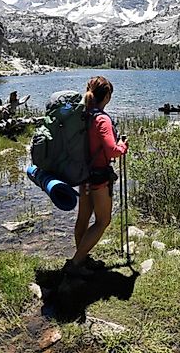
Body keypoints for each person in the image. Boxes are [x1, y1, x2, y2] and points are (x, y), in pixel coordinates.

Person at [64, 76, 128, 277]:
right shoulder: (102, 118)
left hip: (83, 176)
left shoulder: (85, 115)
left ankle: (81, 258)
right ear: (107, 96)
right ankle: (75, 263)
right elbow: (112, 151)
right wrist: (123, 146)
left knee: (83, 218)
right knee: (103, 221)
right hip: (98, 177)